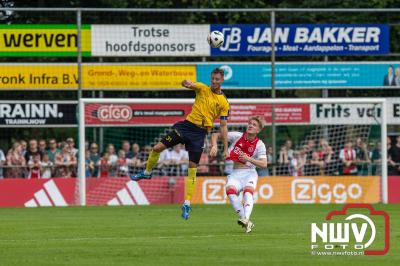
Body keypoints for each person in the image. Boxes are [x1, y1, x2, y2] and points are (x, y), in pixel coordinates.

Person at [131, 68, 230, 220]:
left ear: (222, 80)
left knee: (192, 168)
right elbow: (189, 84)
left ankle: (187, 203)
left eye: (217, 79)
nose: (214, 81)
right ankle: (147, 172)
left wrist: (225, 147)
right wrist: (186, 83)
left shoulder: (224, 102)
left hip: (200, 134)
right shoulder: (202, 88)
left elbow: (223, 126)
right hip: (186, 127)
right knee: (157, 148)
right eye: (213, 78)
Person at [211, 116, 267, 233]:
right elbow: (215, 135)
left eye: (254, 125)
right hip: (235, 173)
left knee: (248, 192)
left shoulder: (259, 144)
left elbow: (264, 164)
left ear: (258, 130)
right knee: (230, 192)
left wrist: (249, 159)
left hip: (249, 173)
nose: (251, 125)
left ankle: (246, 219)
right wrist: (215, 145)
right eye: (250, 123)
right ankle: (247, 222)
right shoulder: (237, 136)